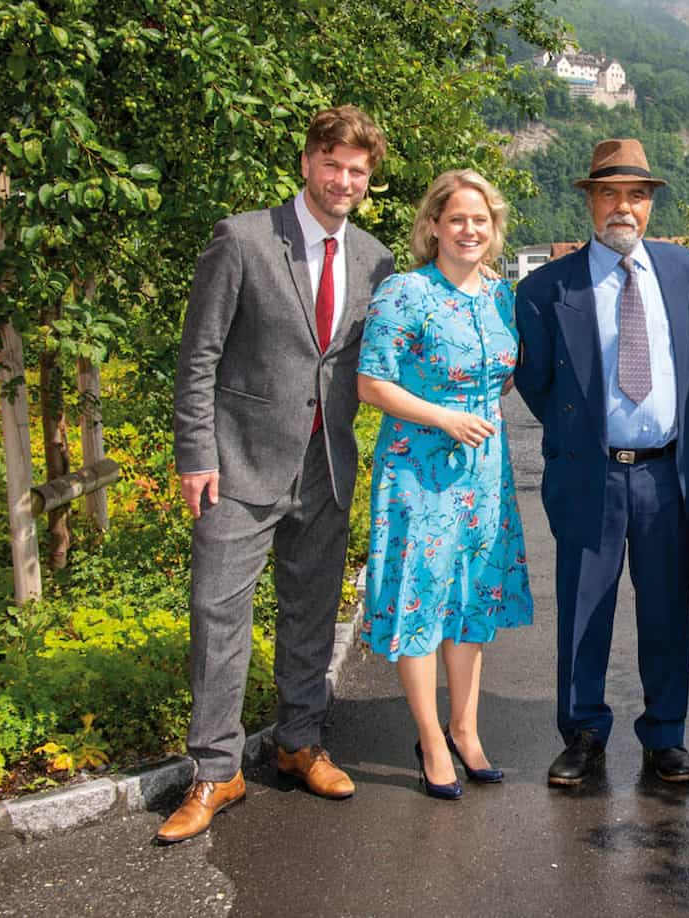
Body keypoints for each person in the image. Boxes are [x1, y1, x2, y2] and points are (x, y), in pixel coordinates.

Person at [161, 106, 395, 843]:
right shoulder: (243, 239)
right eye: (333, 164)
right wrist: (196, 453)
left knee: (310, 614)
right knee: (217, 617)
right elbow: (198, 356)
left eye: (358, 171)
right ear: (306, 164)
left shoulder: (375, 259)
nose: (344, 180)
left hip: (325, 470)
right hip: (235, 466)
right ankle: (215, 771)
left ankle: (299, 741)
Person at [514, 138, 689, 786]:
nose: (621, 206)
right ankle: (582, 734)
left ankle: (665, 737)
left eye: (634, 194)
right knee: (583, 609)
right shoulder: (547, 288)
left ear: (650, 203)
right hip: (591, 472)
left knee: (664, 611)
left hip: (665, 473)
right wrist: (582, 439)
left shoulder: (686, 273)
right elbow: (540, 386)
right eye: (608, 193)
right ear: (590, 202)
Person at [356, 169, 532, 799]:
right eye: (456, 219)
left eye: (480, 220)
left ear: (494, 228)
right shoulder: (406, 292)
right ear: (433, 225)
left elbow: (504, 375)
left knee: (471, 598)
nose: (469, 230)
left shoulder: (501, 296)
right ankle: (431, 738)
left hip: (484, 472)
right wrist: (442, 414)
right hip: (418, 468)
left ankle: (466, 729)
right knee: (421, 599)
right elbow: (371, 382)